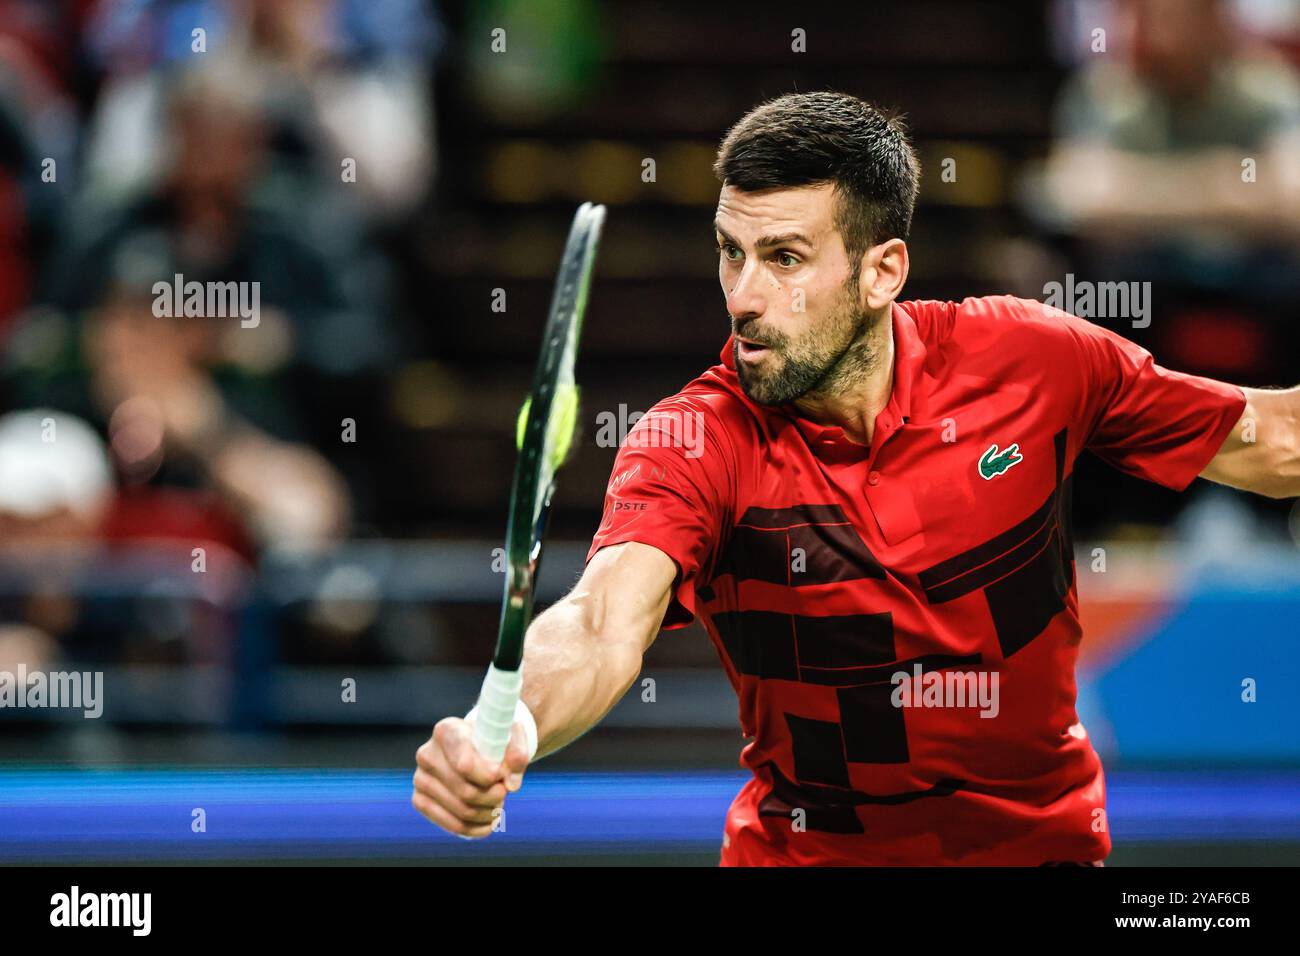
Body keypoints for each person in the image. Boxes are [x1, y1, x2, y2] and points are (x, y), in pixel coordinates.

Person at [412, 92, 1299, 865]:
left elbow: (1274, 442)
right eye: (731, 251)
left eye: (786, 258)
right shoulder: (694, 437)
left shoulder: (1030, 360)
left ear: (884, 272)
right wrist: (514, 728)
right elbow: (605, 620)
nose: (744, 295)